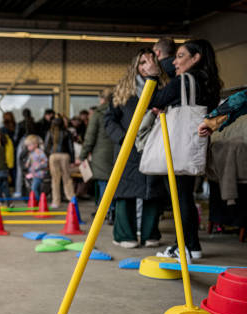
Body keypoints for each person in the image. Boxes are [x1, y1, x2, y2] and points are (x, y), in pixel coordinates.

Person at [144, 39, 223, 261]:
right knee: (184, 195)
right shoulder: (207, 82)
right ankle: (192, 245)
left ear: (196, 58)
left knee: (180, 197)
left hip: (179, 144)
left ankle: (185, 247)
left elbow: (154, 99)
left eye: (180, 56)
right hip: (193, 143)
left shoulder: (186, 80)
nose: (175, 62)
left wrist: (152, 76)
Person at [104, 48, 168, 249]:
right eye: (142, 62)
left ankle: (150, 234)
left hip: (155, 145)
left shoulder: (164, 87)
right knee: (125, 192)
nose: (146, 66)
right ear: (135, 66)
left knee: (153, 191)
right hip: (128, 149)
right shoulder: (122, 91)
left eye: (150, 61)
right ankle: (125, 235)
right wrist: (124, 138)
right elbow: (109, 120)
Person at [79, 88, 115, 222]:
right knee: (114, 184)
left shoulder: (98, 114)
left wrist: (82, 156)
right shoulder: (120, 110)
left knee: (104, 184)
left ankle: (107, 212)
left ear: (102, 99)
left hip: (101, 154)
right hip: (118, 151)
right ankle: (108, 210)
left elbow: (90, 137)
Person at [45, 115, 75, 209]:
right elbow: (71, 147)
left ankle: (56, 202)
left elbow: (46, 146)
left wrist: (49, 156)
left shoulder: (50, 132)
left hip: (53, 156)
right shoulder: (67, 133)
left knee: (55, 180)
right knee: (67, 178)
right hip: (65, 156)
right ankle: (71, 199)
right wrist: (72, 160)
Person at [24, 135, 48, 201]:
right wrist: (27, 163)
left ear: (35, 145)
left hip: (39, 174)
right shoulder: (31, 153)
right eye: (27, 146)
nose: (28, 147)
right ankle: (39, 199)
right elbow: (30, 159)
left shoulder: (39, 152)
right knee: (36, 188)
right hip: (34, 173)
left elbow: (45, 161)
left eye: (29, 145)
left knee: (34, 188)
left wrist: (39, 166)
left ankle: (37, 201)